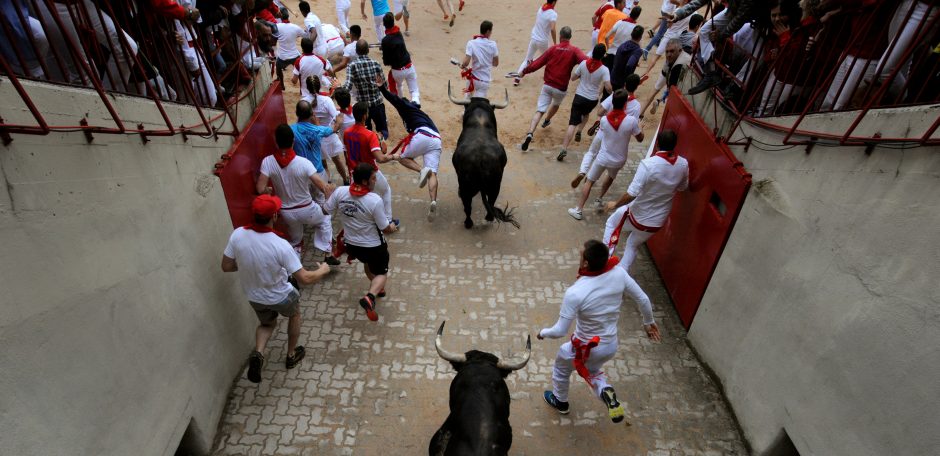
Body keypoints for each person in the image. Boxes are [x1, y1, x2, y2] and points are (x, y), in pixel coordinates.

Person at [538, 239, 661, 423]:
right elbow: (643, 299)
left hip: (585, 347)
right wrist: (648, 322)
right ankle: (605, 390)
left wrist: (543, 332)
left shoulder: (576, 292)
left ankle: (560, 401)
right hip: (610, 345)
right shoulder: (619, 273)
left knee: (562, 368)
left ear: (586, 263)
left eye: (580, 255)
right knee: (593, 370)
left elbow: (560, 330)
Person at [221, 194, 332, 383]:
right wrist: (323, 270)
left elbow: (227, 266)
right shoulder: (280, 245)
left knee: (267, 324)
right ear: (274, 216)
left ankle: (258, 353)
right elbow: (304, 278)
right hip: (281, 295)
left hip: (254, 296)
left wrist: (251, 264)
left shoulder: (238, 234)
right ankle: (291, 355)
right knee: (294, 315)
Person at [603, 129, 689, 272]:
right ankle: (621, 277)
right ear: (674, 145)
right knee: (632, 245)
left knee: (611, 223)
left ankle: (602, 260)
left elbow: (632, 193)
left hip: (637, 214)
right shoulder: (683, 164)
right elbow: (683, 187)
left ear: (657, 144)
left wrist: (615, 204)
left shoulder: (648, 164)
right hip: (656, 222)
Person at [324, 163, 399, 321]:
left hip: (353, 245)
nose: (375, 181)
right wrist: (392, 227)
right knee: (382, 272)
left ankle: (378, 289)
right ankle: (370, 296)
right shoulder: (374, 200)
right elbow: (384, 228)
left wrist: (328, 195)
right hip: (374, 246)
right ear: (365, 181)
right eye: (373, 178)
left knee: (367, 264)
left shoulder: (340, 192)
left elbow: (325, 210)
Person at [257, 124, 341, 266]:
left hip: (286, 212)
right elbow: (322, 187)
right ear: (293, 141)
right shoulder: (304, 163)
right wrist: (331, 191)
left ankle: (294, 271)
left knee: (296, 242)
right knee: (325, 218)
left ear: (276, 142)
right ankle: (327, 253)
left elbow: (260, 188)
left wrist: (267, 192)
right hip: (307, 209)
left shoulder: (268, 161)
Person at [376, 75, 444, 220]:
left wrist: (382, 88)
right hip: (436, 140)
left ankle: (421, 170)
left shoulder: (405, 107)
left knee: (402, 158)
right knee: (433, 174)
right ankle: (433, 200)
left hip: (422, 135)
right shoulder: (417, 110)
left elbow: (393, 99)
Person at [568, 89, 643, 220]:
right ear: (625, 104)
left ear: (612, 102)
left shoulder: (603, 120)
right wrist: (640, 128)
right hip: (619, 159)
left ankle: (579, 209)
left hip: (603, 157)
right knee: (610, 177)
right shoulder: (632, 121)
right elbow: (640, 138)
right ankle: (599, 198)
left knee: (589, 182)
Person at [519, 26, 588, 152]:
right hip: (560, 88)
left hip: (547, 85)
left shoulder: (553, 49)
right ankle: (547, 120)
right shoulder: (574, 50)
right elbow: (586, 62)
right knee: (556, 104)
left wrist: (524, 71)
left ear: (560, 36)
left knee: (539, 110)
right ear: (570, 37)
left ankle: (530, 132)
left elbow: (537, 63)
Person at [574, 74, 642, 188]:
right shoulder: (636, 105)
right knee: (605, 160)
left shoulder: (615, 95)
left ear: (625, 84)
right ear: (637, 87)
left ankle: (582, 171)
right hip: (619, 139)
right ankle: (592, 180)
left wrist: (607, 115)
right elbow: (634, 126)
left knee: (592, 152)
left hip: (604, 130)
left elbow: (600, 112)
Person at [344, 101, 397, 225]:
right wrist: (394, 156)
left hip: (354, 171)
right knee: (385, 190)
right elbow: (380, 158)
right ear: (364, 116)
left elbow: (346, 153)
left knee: (359, 198)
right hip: (369, 172)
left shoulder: (346, 133)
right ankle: (388, 220)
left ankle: (362, 220)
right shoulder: (370, 135)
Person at [558, 44, 611, 161]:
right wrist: (613, 92)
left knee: (572, 123)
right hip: (591, 99)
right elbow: (608, 87)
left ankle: (564, 148)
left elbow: (573, 78)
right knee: (586, 114)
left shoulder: (583, 64)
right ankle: (580, 131)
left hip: (579, 96)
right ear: (603, 56)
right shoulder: (604, 69)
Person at [290, 100, 339, 204]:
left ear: (296, 113)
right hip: (318, 171)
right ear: (312, 114)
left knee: (306, 200)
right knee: (322, 199)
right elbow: (335, 128)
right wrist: (340, 118)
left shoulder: (291, 130)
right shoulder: (319, 130)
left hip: (301, 172)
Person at [305, 77, 351, 185]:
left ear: (307, 87)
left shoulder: (304, 101)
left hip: (314, 136)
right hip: (329, 135)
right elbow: (336, 117)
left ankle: (327, 181)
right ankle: (345, 180)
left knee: (322, 162)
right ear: (319, 86)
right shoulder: (326, 100)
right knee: (337, 160)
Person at [343, 39, 389, 139]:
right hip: (377, 104)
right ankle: (380, 141)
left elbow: (348, 86)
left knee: (366, 133)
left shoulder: (352, 66)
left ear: (356, 51)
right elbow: (384, 85)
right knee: (383, 131)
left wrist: (339, 89)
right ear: (368, 50)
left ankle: (372, 146)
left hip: (362, 108)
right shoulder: (376, 63)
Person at [638, 38, 691, 119]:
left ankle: (642, 112)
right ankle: (653, 105)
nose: (669, 54)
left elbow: (672, 88)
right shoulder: (675, 56)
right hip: (670, 72)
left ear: (680, 50)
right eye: (667, 52)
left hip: (678, 77)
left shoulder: (682, 63)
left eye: (672, 51)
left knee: (658, 90)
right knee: (661, 92)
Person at [509, 0, 558, 86]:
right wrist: (555, 43)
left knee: (527, 59)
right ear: (554, 2)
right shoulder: (553, 14)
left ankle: (517, 78)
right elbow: (553, 29)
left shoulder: (541, 8)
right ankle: (550, 79)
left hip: (534, 37)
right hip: (542, 41)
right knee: (548, 59)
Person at [641, 0, 690, 81]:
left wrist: (668, 21)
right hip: (678, 39)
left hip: (668, 36)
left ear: (685, 1)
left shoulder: (677, 11)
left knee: (656, 56)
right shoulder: (693, 12)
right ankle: (666, 77)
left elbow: (669, 25)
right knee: (671, 60)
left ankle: (646, 73)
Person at [380, 12, 421, 106]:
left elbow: (386, 61)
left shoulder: (385, 40)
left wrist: (384, 47)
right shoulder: (398, 33)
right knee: (414, 91)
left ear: (384, 24)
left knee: (398, 86)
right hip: (409, 67)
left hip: (397, 71)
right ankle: (416, 101)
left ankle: (401, 103)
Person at [460, 20, 499, 98]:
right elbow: (495, 63)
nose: (491, 33)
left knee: (466, 103)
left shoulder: (471, 43)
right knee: (480, 105)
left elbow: (466, 62)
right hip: (484, 82)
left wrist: (462, 65)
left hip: (473, 80)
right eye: (491, 31)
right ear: (488, 31)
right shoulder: (493, 45)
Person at [292, 38, 333, 102]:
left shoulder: (299, 61)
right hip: (318, 92)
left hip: (305, 94)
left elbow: (294, 81)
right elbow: (331, 72)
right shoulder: (320, 59)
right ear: (312, 48)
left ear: (302, 48)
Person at [603, 5, 641, 70]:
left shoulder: (619, 22)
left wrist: (608, 49)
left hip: (611, 53)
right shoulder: (635, 28)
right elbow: (637, 46)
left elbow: (606, 37)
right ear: (637, 16)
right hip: (622, 57)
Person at [611, 25, 645, 91]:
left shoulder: (623, 44)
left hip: (614, 76)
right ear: (640, 37)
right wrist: (627, 79)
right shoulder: (638, 50)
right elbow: (629, 65)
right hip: (622, 81)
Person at [274, 19, 306, 83]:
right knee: (300, 71)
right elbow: (305, 34)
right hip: (295, 56)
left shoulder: (277, 26)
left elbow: (273, 35)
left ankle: (282, 84)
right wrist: (295, 35)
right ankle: (301, 87)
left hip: (282, 57)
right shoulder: (295, 27)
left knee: (278, 68)